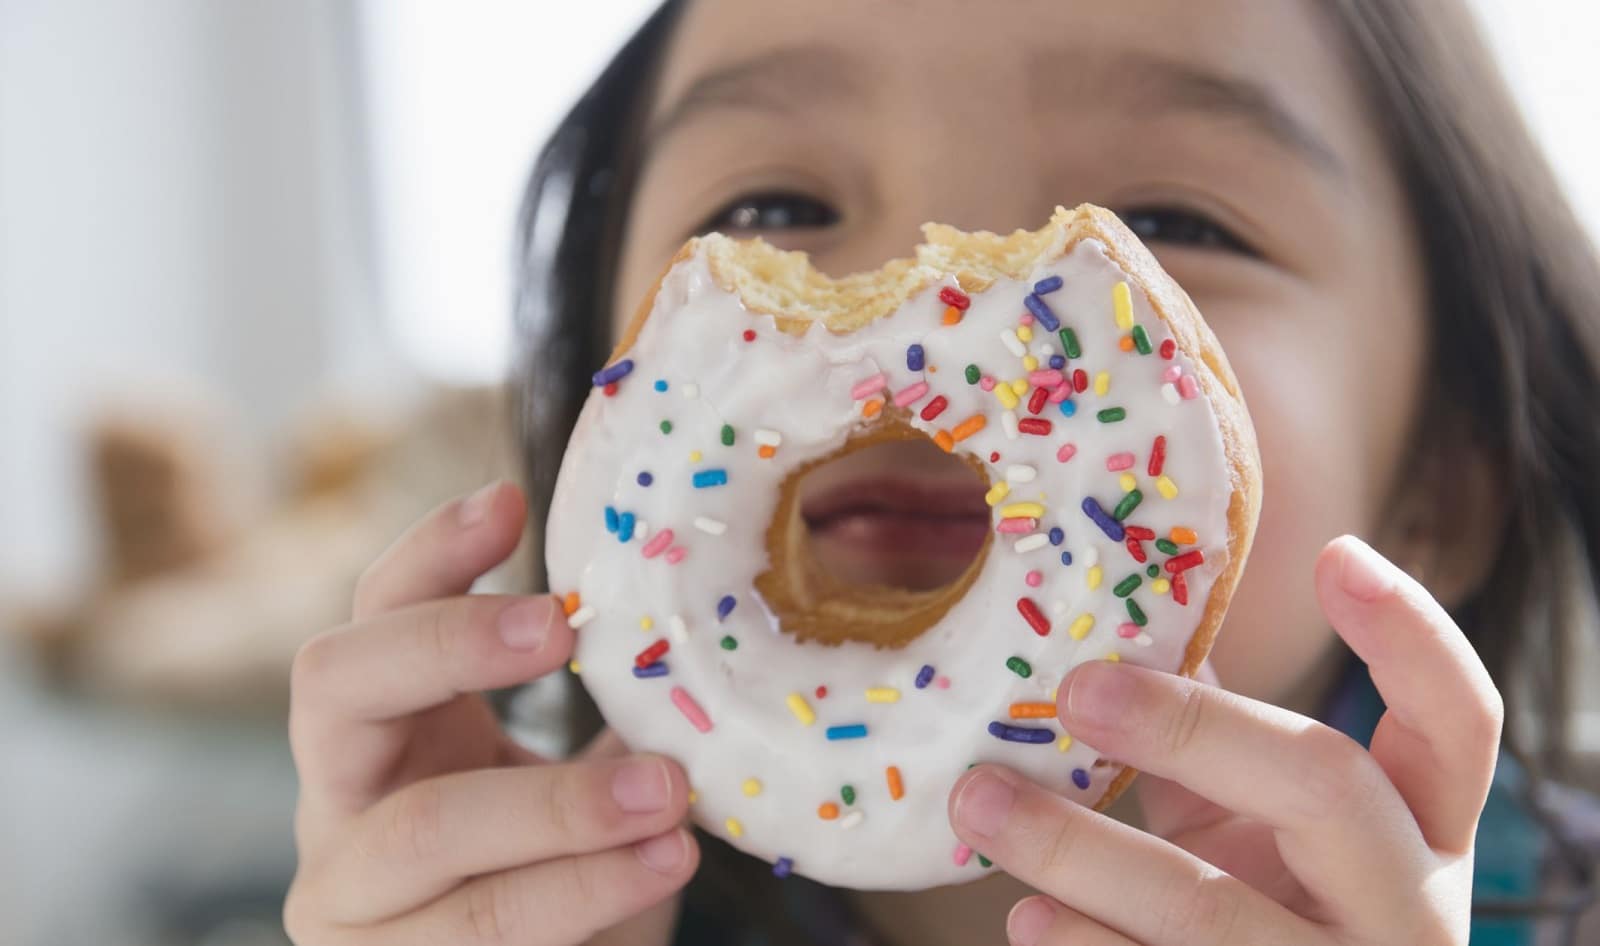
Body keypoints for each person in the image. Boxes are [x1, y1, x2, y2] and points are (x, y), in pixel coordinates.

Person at [281, 1, 1600, 943]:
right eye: (772, 208)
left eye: (1165, 226)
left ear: (1443, 488)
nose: (926, 289)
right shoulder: (577, 905)